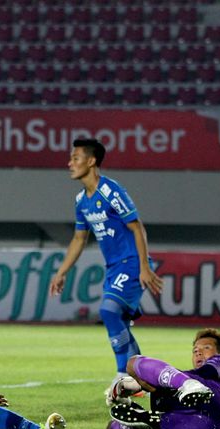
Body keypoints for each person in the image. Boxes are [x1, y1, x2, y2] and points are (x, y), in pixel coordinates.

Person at [49, 138, 163, 384]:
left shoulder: (111, 191)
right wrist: (61, 272)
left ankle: (122, 374)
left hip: (132, 262)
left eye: (75, 158)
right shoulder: (81, 201)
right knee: (118, 319)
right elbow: (79, 239)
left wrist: (144, 267)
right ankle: (141, 378)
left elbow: (137, 228)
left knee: (108, 311)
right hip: (114, 267)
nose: (70, 163)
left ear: (91, 161)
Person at [105, 328, 220, 429]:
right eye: (195, 350)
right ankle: (144, 422)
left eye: (206, 348)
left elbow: (208, 372)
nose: (198, 352)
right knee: (114, 428)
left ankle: (185, 385)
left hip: (216, 403)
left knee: (133, 363)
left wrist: (141, 382)